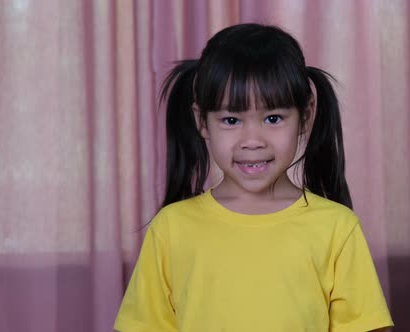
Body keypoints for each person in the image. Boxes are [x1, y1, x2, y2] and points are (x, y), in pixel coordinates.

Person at [114, 23, 393, 332]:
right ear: (201, 121)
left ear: (306, 115)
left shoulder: (337, 228)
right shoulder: (171, 229)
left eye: (273, 118)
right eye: (231, 120)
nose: (252, 140)